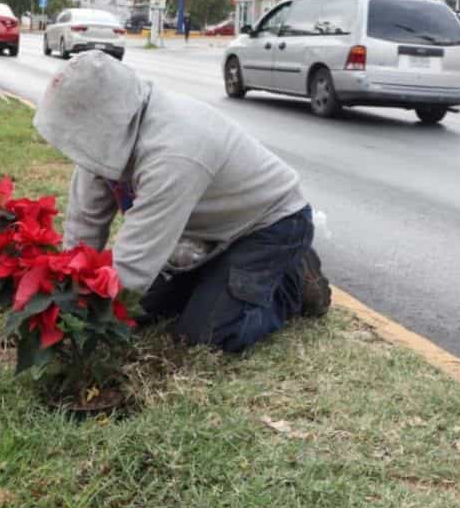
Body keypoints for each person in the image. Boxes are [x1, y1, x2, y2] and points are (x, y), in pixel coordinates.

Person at [33, 51, 331, 353]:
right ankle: (215, 280)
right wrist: (70, 290)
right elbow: (85, 223)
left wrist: (89, 325)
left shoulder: (175, 152)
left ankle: (294, 282)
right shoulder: (103, 141)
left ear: (104, 118)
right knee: (147, 310)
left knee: (208, 334)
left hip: (271, 223)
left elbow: (133, 267)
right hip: (208, 229)